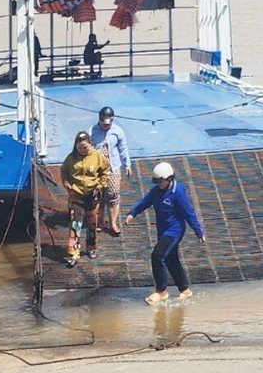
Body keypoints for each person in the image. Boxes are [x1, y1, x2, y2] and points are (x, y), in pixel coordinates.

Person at [127, 160, 203, 303]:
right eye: (156, 182)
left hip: (175, 230)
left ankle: (161, 291)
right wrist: (132, 213)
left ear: (169, 179)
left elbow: (189, 213)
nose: (158, 184)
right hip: (162, 230)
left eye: (160, 181)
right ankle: (185, 290)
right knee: (171, 259)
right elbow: (145, 202)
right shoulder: (156, 191)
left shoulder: (177, 192)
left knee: (157, 255)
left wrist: (199, 232)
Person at [59, 133, 114, 261]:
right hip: (76, 195)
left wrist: (100, 185)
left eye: (85, 147)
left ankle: (91, 248)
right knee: (76, 223)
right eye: (79, 148)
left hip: (92, 195)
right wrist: (67, 184)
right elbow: (64, 171)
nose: (82, 150)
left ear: (90, 144)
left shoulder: (97, 156)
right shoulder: (71, 158)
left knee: (91, 224)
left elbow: (105, 172)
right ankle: (73, 250)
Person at [90, 106, 132, 235]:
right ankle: (100, 222)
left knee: (113, 195)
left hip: (113, 167)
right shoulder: (91, 131)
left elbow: (123, 148)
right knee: (98, 196)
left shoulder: (117, 131)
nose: (105, 126)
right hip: (97, 169)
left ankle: (113, 222)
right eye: (103, 123)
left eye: (108, 124)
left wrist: (127, 164)